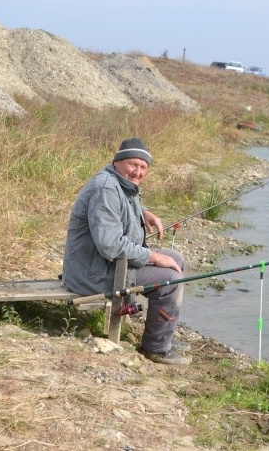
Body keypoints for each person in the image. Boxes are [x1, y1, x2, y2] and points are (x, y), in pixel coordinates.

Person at [62, 138, 190, 365]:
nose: (137, 172)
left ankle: (163, 333)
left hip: (100, 264)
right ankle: (157, 348)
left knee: (176, 259)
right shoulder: (106, 189)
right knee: (170, 279)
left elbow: (121, 205)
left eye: (143, 167)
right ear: (117, 162)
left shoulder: (117, 183)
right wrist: (154, 257)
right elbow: (110, 244)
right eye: (133, 164)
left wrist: (144, 212)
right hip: (92, 273)